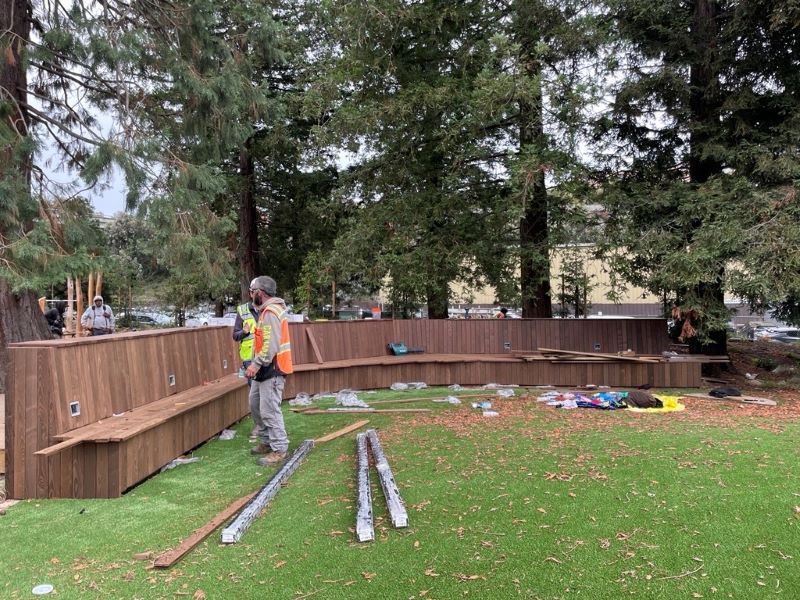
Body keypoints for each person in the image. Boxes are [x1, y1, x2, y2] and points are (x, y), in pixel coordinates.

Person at [244, 276, 294, 466]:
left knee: (269, 410)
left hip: (272, 368)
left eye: (252, 291)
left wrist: (255, 364)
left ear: (260, 293)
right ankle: (266, 440)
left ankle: (279, 449)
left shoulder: (271, 312)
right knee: (255, 405)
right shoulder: (265, 311)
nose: (250, 295)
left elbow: (270, 345)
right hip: (264, 369)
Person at [232, 292, 260, 435]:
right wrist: (244, 332)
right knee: (254, 394)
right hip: (249, 360)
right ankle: (258, 425)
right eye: (253, 290)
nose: (256, 293)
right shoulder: (243, 311)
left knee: (266, 394)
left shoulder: (269, 309)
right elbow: (235, 336)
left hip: (266, 357)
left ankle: (269, 426)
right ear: (251, 293)